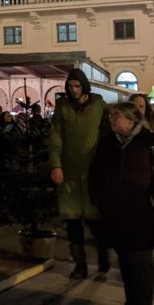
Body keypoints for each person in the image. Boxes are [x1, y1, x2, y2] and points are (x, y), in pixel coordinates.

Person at [89, 102, 154, 304]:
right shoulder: (107, 142)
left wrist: (152, 199)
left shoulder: (151, 141)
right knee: (126, 263)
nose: (111, 119)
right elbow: (95, 172)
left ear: (130, 119)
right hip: (115, 215)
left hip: (142, 215)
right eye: (111, 116)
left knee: (141, 265)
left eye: (116, 116)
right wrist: (98, 198)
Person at [49, 68, 110, 280]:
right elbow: (56, 136)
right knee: (72, 223)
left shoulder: (99, 105)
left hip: (93, 171)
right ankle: (79, 265)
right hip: (70, 173)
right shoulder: (62, 106)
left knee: (97, 222)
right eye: (71, 86)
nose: (74, 90)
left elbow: (106, 134)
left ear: (84, 85)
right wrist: (56, 165)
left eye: (77, 86)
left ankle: (103, 259)